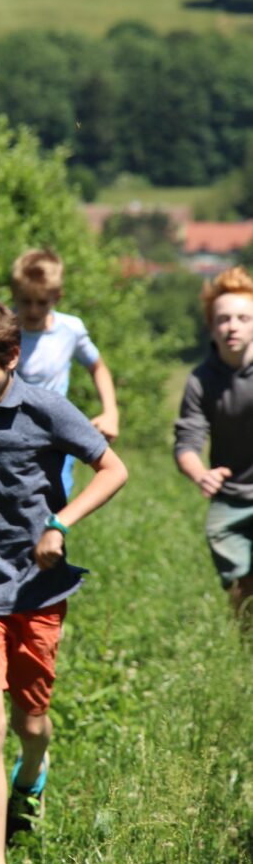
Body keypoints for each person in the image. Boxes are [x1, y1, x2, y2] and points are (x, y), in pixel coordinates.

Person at [0, 296, 127, 864]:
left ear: (11, 356)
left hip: (37, 592)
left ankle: (31, 777)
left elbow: (114, 469)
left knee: (30, 724)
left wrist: (59, 524)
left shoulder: (45, 409)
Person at [174, 265, 253, 623]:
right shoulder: (201, 381)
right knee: (240, 584)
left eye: (242, 318)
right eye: (223, 319)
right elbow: (186, 442)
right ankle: (245, 643)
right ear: (211, 326)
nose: (232, 327)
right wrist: (200, 474)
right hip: (230, 498)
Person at [10, 247, 119, 495]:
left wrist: (110, 412)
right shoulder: (2, 327)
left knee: (54, 495)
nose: (33, 310)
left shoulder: (70, 329)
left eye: (42, 303)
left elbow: (98, 367)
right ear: (14, 294)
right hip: (10, 428)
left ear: (57, 297)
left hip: (55, 431)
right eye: (25, 301)